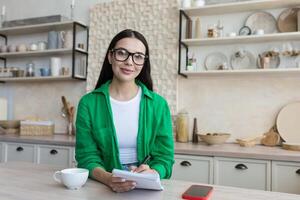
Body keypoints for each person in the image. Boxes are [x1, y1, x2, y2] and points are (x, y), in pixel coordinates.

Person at [75, 29, 174, 193]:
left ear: (144, 62)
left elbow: (165, 157)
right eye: (122, 53)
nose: (130, 62)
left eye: (138, 56)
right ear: (110, 56)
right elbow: (86, 156)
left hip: (146, 188)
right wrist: (109, 179)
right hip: (103, 187)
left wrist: (153, 172)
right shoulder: (88, 103)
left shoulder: (158, 105)